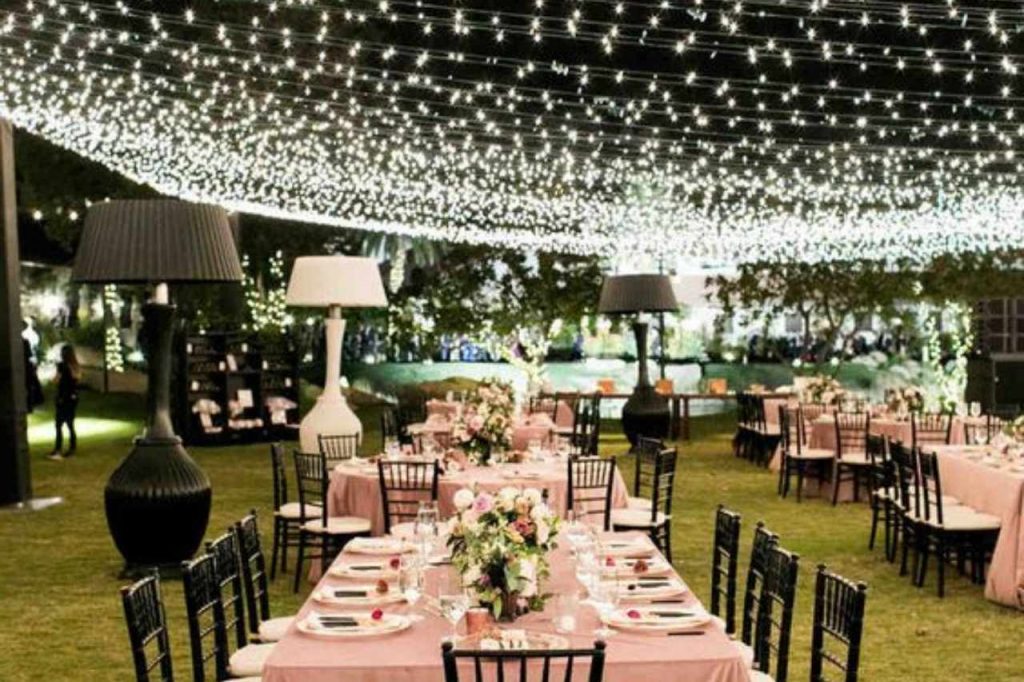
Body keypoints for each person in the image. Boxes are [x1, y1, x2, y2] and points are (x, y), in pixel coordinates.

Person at [49, 344, 81, 460]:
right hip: (72, 398)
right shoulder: (75, 366)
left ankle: (58, 449)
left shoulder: (62, 366)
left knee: (58, 425)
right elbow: (77, 379)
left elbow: (56, 380)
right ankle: (72, 448)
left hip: (63, 398)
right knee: (70, 424)